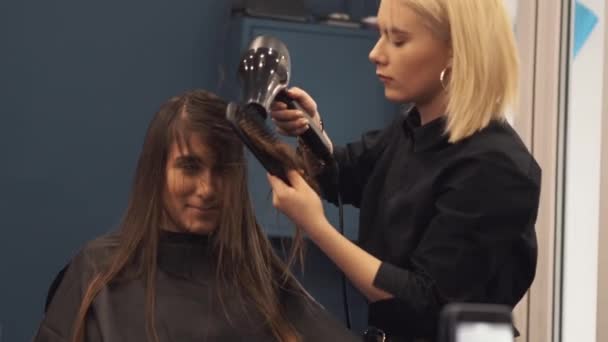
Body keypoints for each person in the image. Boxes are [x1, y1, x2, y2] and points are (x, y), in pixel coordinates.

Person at [268, 0, 541, 341]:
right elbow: (343, 175)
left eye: (398, 40)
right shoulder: (412, 129)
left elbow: (425, 300)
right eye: (380, 35)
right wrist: (310, 132)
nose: (376, 54)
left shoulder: (496, 168)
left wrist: (317, 227)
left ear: (456, 50)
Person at [34, 90, 361, 342]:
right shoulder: (97, 274)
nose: (207, 188)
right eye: (189, 167)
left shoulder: (258, 277)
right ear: (156, 171)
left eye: (221, 170)